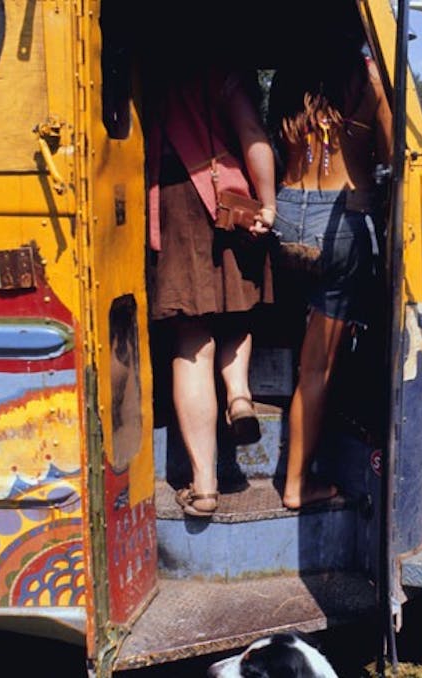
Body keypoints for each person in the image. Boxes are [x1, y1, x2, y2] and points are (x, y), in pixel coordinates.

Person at [268, 8, 392, 509]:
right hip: (343, 220)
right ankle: (298, 485)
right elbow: (393, 155)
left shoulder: (285, 81)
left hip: (287, 218)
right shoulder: (370, 80)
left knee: (296, 340)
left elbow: (275, 144)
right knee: (317, 368)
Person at [146, 60, 277, 517]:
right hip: (228, 206)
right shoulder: (224, 73)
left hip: (172, 202)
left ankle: (204, 487)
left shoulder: (151, 73)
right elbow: (252, 135)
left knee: (191, 339)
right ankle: (239, 395)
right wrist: (269, 204)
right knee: (237, 312)